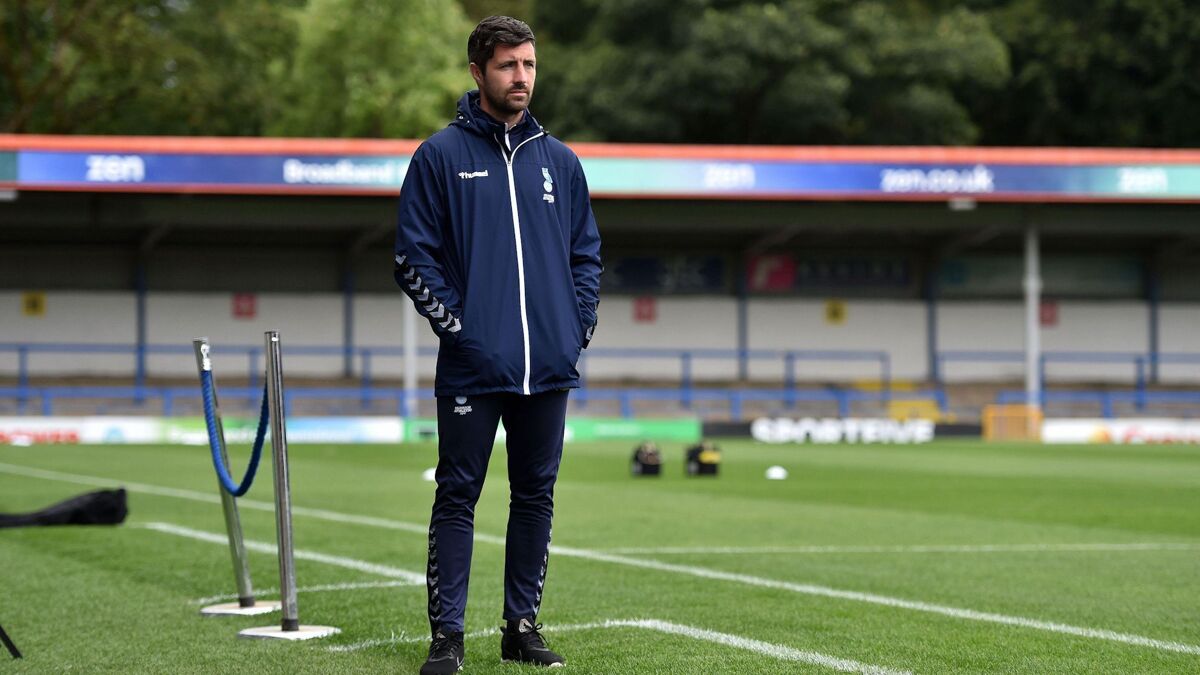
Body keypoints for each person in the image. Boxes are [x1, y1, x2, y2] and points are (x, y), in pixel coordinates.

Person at [393, 15, 602, 675]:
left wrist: (575, 329)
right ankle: (446, 637)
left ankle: (521, 624)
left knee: (535, 495)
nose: (522, 77)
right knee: (458, 494)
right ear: (478, 71)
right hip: (472, 367)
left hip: (548, 368)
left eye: (530, 65)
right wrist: (462, 331)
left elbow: (585, 256)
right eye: (510, 65)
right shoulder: (439, 157)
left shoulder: (561, 162)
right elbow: (411, 258)